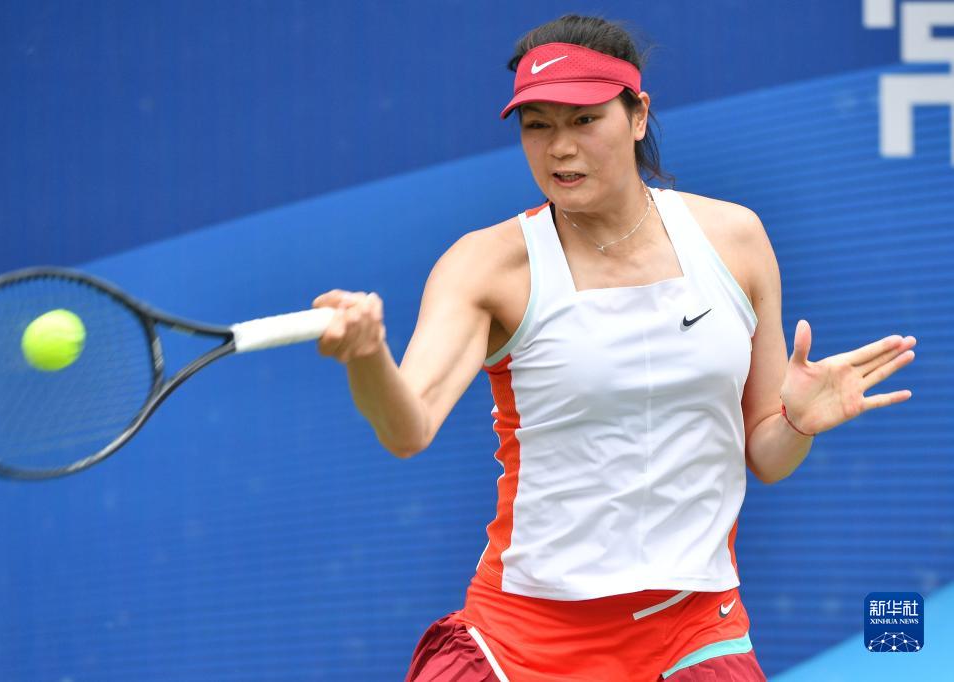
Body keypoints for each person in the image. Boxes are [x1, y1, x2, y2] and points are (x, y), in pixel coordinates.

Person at [311, 14, 917, 682]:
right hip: (519, 646)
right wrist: (368, 356)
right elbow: (408, 428)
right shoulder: (486, 266)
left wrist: (797, 422)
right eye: (536, 125)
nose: (559, 148)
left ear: (637, 115)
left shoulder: (735, 240)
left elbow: (766, 457)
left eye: (584, 119)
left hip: (695, 634)